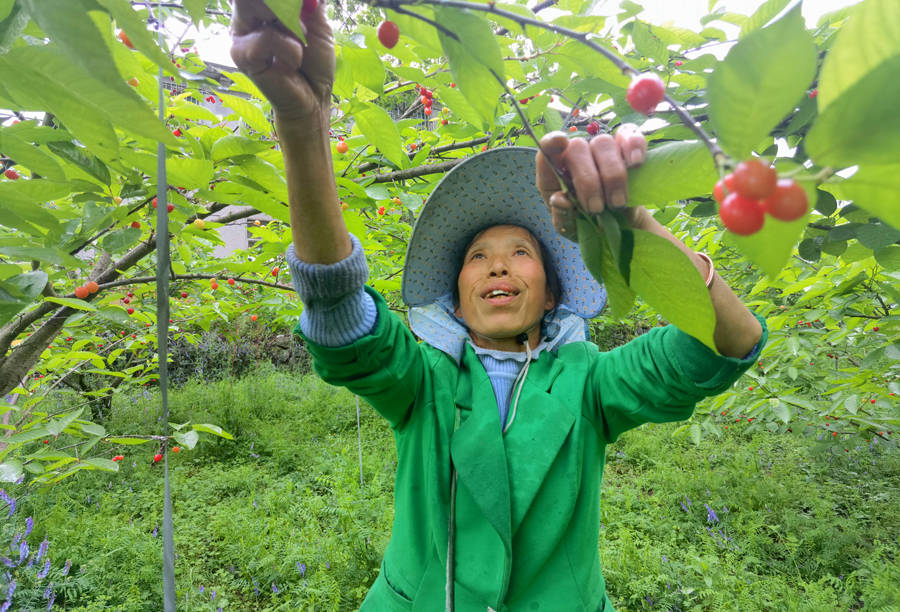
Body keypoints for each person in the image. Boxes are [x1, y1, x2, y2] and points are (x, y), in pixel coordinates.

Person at [230, 2, 766, 610]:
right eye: (478, 257)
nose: (499, 266)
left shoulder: (590, 383)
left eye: (521, 252)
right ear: (456, 298)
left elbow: (725, 342)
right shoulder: (423, 379)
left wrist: (634, 227)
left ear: (553, 293)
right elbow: (341, 317)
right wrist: (304, 127)